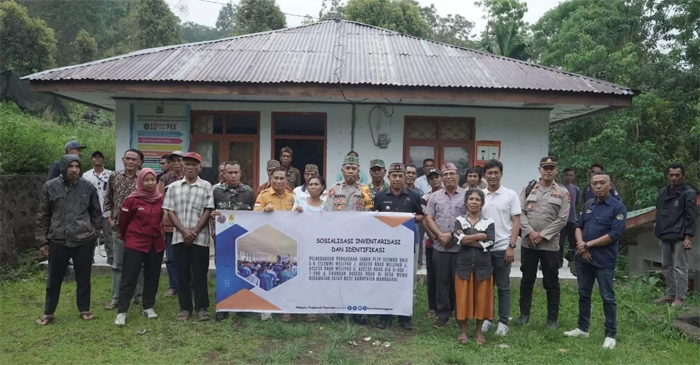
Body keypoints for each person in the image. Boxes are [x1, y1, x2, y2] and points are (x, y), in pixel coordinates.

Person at [36, 154, 103, 325]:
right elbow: (43, 215)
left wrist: (93, 233)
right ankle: (49, 312)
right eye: (70, 166)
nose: (74, 170)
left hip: (83, 241)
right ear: (63, 168)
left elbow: (96, 213)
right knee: (54, 278)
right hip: (58, 240)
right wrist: (42, 241)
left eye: (77, 167)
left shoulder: (87, 187)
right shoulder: (50, 187)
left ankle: (84, 309)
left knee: (83, 277)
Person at [565, 171, 627, 350]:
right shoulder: (588, 204)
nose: (598, 186)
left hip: (603, 260)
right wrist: (581, 245)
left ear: (610, 185)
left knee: (607, 297)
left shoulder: (618, 208)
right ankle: (583, 328)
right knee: (584, 294)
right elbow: (578, 226)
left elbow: (614, 234)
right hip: (584, 259)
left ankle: (610, 335)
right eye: (595, 183)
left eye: (602, 183)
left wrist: (587, 245)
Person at [516, 157, 570, 328]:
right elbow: (520, 213)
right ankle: (524, 315)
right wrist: (531, 232)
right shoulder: (529, 189)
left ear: (556, 170)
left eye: (551, 168)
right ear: (539, 169)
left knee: (551, 281)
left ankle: (552, 319)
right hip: (529, 243)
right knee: (527, 279)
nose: (548, 171)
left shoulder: (562, 192)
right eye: (545, 168)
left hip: (550, 244)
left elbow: (562, 219)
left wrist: (543, 235)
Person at [162, 152, 214, 322]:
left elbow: (208, 209)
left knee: (199, 274)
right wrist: (184, 231)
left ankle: (202, 307)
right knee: (182, 274)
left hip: (200, 238)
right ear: (182, 166)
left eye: (194, 164)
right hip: (179, 237)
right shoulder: (173, 187)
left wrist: (195, 231)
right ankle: (185, 308)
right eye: (187, 164)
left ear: (199, 167)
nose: (190, 167)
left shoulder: (207, 186)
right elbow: (169, 211)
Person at [373, 163, 424, 330]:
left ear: (405, 177)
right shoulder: (380, 196)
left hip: (408, 243)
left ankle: (404, 317)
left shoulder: (414, 195)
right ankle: (384, 316)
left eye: (400, 176)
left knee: (406, 281)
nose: (397, 179)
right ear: (388, 177)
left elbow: (421, 216)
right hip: (386, 245)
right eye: (394, 176)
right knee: (386, 280)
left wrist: (412, 218)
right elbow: (373, 217)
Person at [114, 168, 165, 326]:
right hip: (135, 242)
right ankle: (122, 312)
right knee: (129, 277)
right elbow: (123, 221)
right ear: (140, 181)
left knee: (152, 276)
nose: (150, 183)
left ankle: (148, 306)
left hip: (155, 243)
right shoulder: (131, 200)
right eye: (146, 180)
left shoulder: (160, 199)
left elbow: (163, 217)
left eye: (153, 180)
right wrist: (128, 235)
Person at [325, 154, 370, 325]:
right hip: (338, 239)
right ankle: (338, 310)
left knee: (357, 277)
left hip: (358, 241)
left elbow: (370, 215)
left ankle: (357, 311)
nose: (351, 171)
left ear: (358, 171)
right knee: (338, 275)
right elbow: (327, 215)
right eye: (348, 168)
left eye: (354, 168)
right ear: (342, 170)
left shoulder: (365, 191)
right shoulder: (334, 189)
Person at [210, 161, 256, 321]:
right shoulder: (216, 192)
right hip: (223, 239)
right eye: (230, 173)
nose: (233, 175)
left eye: (236, 172)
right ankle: (223, 306)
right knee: (224, 270)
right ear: (224, 174)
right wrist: (213, 218)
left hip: (243, 239)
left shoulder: (249, 192)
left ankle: (241, 306)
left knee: (243, 270)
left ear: (241, 173)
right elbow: (209, 212)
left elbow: (254, 215)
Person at [480, 159, 521, 337]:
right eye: (489, 173)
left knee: (503, 287)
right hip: (483, 249)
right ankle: (487, 318)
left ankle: (503, 322)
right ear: (485, 176)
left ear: (501, 174)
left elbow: (516, 221)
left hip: (503, 248)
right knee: (485, 286)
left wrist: (511, 246)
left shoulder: (510, 195)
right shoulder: (480, 195)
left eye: (496, 172)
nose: (493, 176)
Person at [424, 163, 466, 328]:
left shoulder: (466, 195)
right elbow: (429, 218)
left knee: (459, 281)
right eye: (445, 174)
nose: (448, 177)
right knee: (441, 281)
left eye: (452, 173)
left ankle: (459, 312)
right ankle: (442, 314)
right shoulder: (435, 197)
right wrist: (440, 235)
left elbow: (470, 218)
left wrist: (452, 235)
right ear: (441, 178)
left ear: (458, 176)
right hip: (440, 246)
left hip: (459, 246)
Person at [103, 149, 144, 310]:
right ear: (122, 159)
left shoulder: (143, 178)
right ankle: (116, 297)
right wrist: (109, 218)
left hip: (137, 229)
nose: (130, 162)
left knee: (138, 264)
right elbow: (108, 199)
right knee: (118, 264)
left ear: (139, 162)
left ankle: (138, 295)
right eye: (127, 158)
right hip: (118, 226)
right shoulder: (114, 176)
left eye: (134, 159)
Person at [453, 189, 495, 344]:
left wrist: (466, 237)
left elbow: (489, 243)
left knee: (481, 299)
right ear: (466, 202)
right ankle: (463, 331)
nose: (474, 202)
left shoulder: (489, 222)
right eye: (471, 199)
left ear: (482, 204)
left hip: (483, 266)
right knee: (462, 298)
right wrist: (479, 236)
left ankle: (478, 332)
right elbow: (458, 240)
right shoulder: (459, 220)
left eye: (477, 199)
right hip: (463, 265)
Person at [653, 163, 696, 307]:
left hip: (680, 235)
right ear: (667, 175)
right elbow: (658, 211)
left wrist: (688, 237)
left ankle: (680, 298)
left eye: (677, 175)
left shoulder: (688, 193)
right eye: (671, 175)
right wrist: (656, 226)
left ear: (683, 176)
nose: (674, 178)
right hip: (664, 233)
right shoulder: (663, 192)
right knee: (666, 265)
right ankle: (671, 294)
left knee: (680, 267)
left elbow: (691, 216)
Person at [157, 150, 185, 297]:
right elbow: (159, 200)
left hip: (188, 223)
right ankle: (174, 286)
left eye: (179, 160)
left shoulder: (191, 177)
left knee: (187, 256)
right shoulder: (164, 178)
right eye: (173, 161)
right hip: (169, 224)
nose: (177, 164)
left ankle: (189, 286)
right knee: (171, 257)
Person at [82, 151, 114, 265]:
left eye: (99, 157)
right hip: (92, 211)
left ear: (103, 159)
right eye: (95, 157)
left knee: (109, 235)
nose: (97, 159)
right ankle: (89, 257)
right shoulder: (86, 175)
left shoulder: (111, 174)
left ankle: (111, 257)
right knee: (91, 235)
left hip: (107, 210)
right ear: (91, 160)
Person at [421, 168, 442, 318]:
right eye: (431, 178)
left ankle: (449, 307)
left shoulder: (449, 195)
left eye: (436, 177)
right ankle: (432, 307)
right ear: (428, 181)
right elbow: (424, 218)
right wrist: (434, 236)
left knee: (447, 276)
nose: (434, 180)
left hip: (448, 241)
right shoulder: (425, 197)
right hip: (431, 242)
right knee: (432, 276)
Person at [406, 164, 426, 267]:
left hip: (416, 228)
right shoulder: (397, 191)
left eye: (413, 173)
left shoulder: (420, 193)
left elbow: (421, 214)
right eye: (408, 173)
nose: (410, 175)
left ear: (416, 176)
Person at [561, 168, 581, 267]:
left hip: (572, 219)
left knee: (573, 242)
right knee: (560, 241)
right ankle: (558, 261)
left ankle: (572, 262)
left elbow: (576, 202)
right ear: (563, 176)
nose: (569, 177)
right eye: (567, 175)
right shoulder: (559, 188)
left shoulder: (576, 189)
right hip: (561, 220)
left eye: (571, 175)